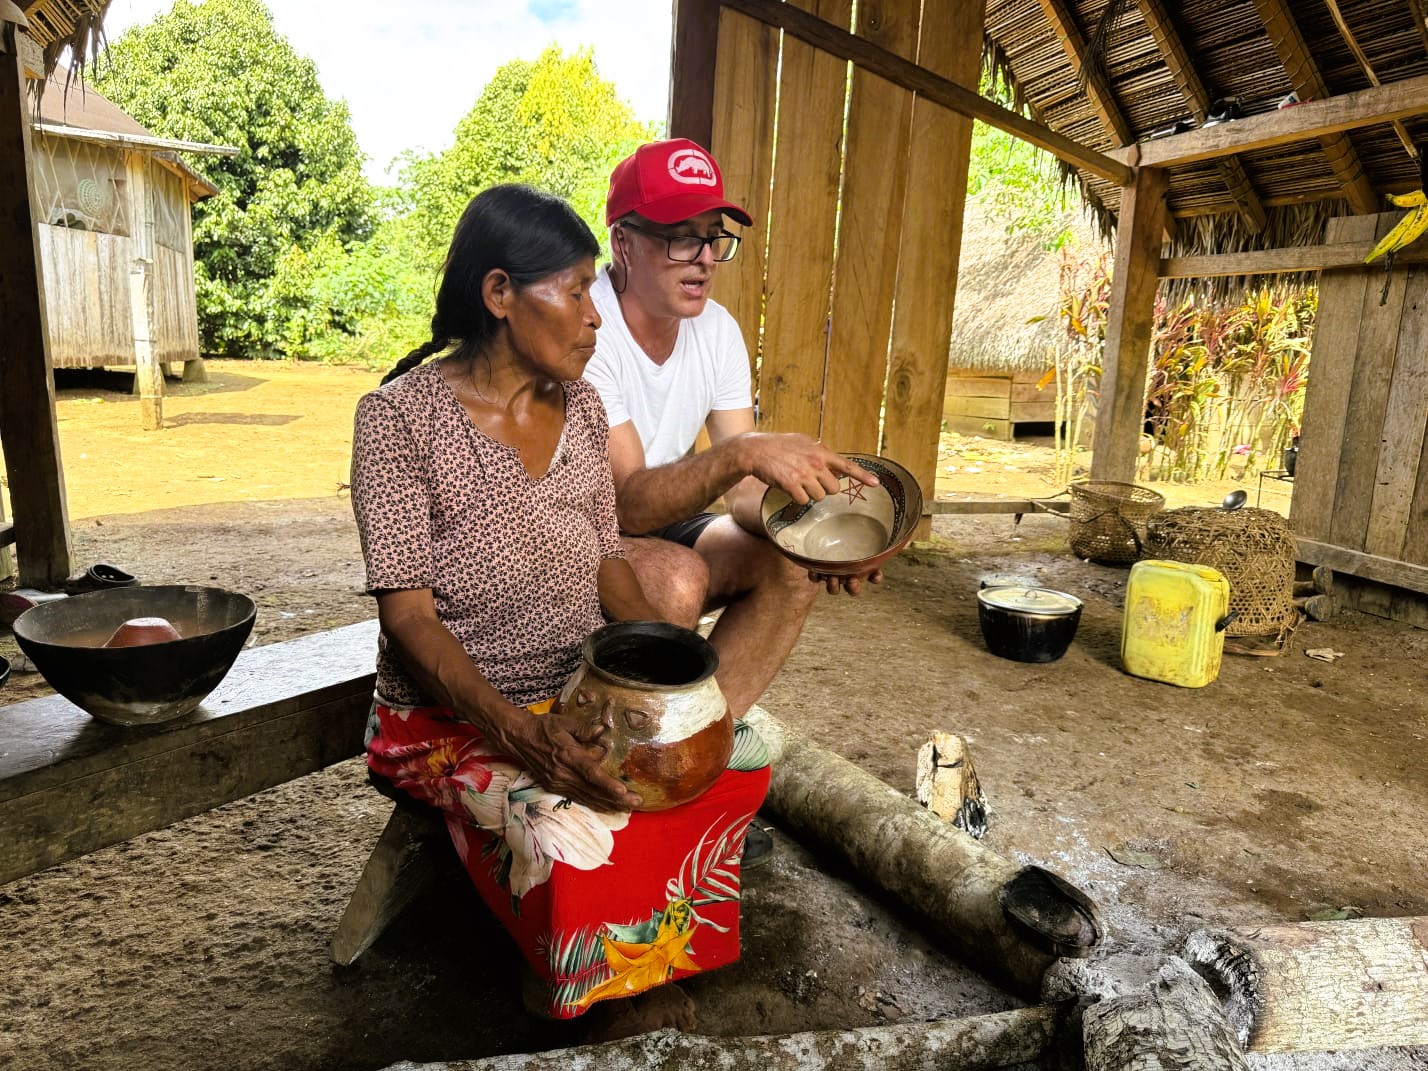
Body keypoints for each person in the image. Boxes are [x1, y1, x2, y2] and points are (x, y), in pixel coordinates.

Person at [348, 184, 770, 1039]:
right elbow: (410, 619)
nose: (594, 316)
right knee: (566, 819)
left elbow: (607, 558)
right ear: (500, 294)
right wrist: (522, 733)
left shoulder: (579, 408)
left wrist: (661, 659)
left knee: (733, 752)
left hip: (576, 685)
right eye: (574, 291)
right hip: (450, 713)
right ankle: (581, 984)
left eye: (591, 290)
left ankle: (650, 951)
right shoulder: (397, 421)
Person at [584, 138, 882, 726]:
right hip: (579, 525)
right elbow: (628, 507)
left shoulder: (716, 329)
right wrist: (743, 453)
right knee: (674, 578)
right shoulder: (587, 324)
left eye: (714, 236)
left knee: (790, 564)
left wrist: (826, 539)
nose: (705, 258)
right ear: (623, 243)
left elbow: (746, 494)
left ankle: (703, 738)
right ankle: (629, 753)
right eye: (681, 237)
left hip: (662, 514)